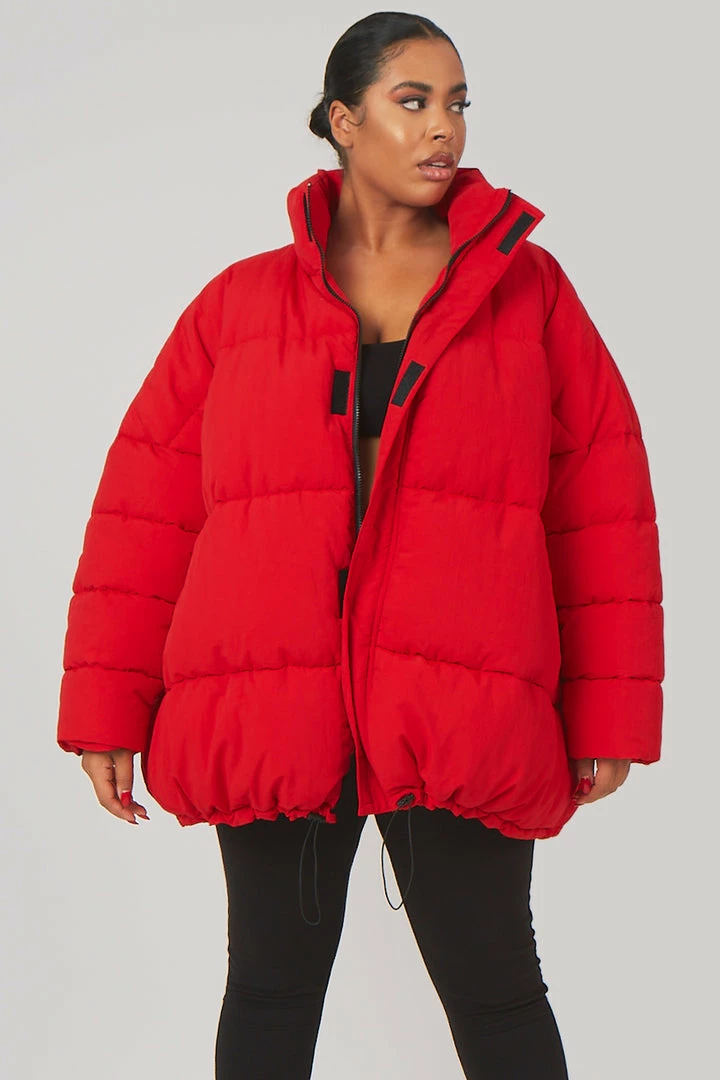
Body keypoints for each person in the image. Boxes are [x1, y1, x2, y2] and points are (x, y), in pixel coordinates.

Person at [56, 11, 664, 1080]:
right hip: (272, 698)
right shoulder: (239, 306)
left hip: (462, 698)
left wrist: (608, 713)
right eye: (412, 101)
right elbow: (146, 516)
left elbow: (600, 507)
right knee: (269, 991)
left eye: (458, 103)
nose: (444, 129)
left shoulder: (528, 293)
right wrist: (105, 709)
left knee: (498, 994)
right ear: (343, 120)